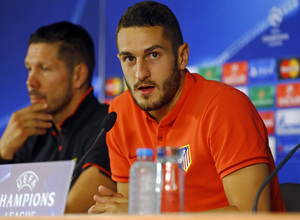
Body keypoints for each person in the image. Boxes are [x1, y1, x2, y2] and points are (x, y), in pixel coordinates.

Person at [88, 1, 285, 213]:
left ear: (182, 56)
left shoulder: (224, 106)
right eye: (129, 59)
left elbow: (253, 214)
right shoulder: (119, 113)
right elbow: (131, 209)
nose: (140, 73)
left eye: (153, 55)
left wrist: (153, 215)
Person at [0, 21, 116, 213]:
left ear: (78, 75)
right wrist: (3, 153)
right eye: (29, 68)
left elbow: (71, 212)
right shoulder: (27, 131)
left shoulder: (108, 126)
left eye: (44, 69)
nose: (30, 81)